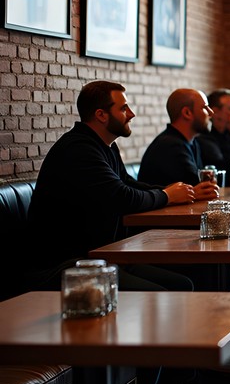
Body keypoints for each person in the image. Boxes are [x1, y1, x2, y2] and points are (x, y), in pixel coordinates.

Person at [25, 81, 198, 291]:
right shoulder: (79, 149)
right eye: (124, 108)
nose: (132, 114)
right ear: (101, 115)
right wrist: (167, 195)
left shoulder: (105, 145)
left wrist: (175, 190)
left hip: (103, 256)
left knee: (183, 285)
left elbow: (127, 183)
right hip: (69, 265)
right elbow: (122, 197)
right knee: (163, 294)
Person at [138, 88, 222, 193]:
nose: (211, 113)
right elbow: (198, 188)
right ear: (187, 113)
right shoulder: (170, 146)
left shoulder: (191, 141)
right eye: (205, 108)